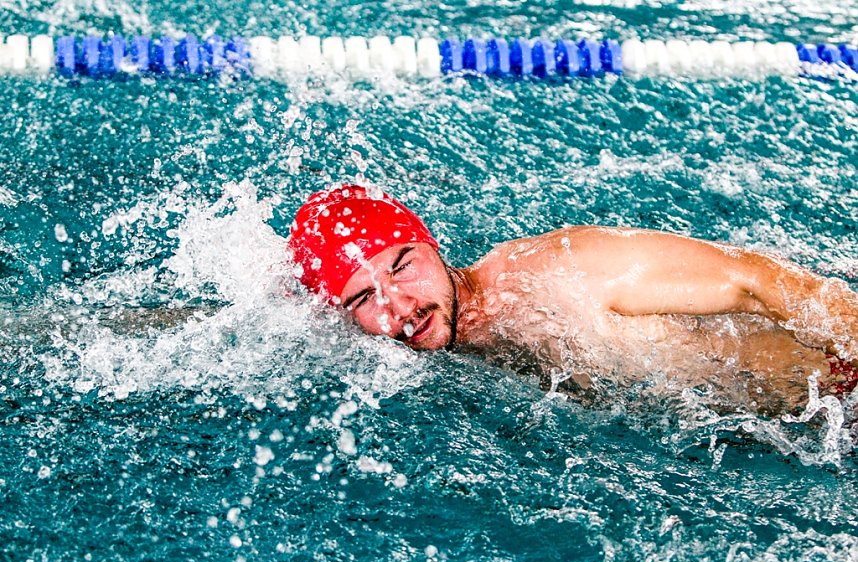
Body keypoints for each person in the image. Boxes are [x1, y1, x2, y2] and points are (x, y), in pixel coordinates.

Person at [287, 183, 858, 414]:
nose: (399, 304)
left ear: (431, 244)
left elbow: (752, 278)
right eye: (363, 298)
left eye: (403, 266)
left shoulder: (559, 270)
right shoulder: (439, 345)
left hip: (838, 385)